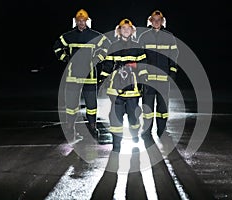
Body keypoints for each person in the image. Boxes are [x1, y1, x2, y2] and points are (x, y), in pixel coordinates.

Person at [53, 9, 111, 144]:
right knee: (71, 106)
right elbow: (57, 47)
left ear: (87, 21)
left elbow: (107, 45)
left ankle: (92, 128)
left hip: (89, 76)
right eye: (79, 20)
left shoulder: (94, 36)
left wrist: (97, 58)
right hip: (72, 76)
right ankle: (70, 128)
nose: (81, 23)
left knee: (91, 105)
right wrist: (65, 58)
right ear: (76, 21)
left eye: (83, 20)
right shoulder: (69, 36)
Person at [99, 19, 147, 152]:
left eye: (128, 28)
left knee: (133, 117)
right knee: (115, 117)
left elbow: (143, 66)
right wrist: (103, 78)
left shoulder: (138, 47)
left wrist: (144, 81)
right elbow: (108, 65)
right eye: (123, 28)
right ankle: (117, 143)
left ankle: (134, 134)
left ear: (132, 31)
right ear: (119, 30)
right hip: (116, 89)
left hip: (133, 89)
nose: (126, 30)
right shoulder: (113, 46)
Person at [137, 10, 179, 139]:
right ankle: (147, 130)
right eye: (154, 20)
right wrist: (143, 73)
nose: (156, 22)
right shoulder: (144, 37)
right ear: (150, 21)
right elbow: (140, 56)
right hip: (148, 79)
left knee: (163, 108)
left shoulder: (169, 36)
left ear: (162, 21)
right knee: (147, 108)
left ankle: (162, 130)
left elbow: (174, 56)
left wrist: (172, 72)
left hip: (163, 79)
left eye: (158, 20)